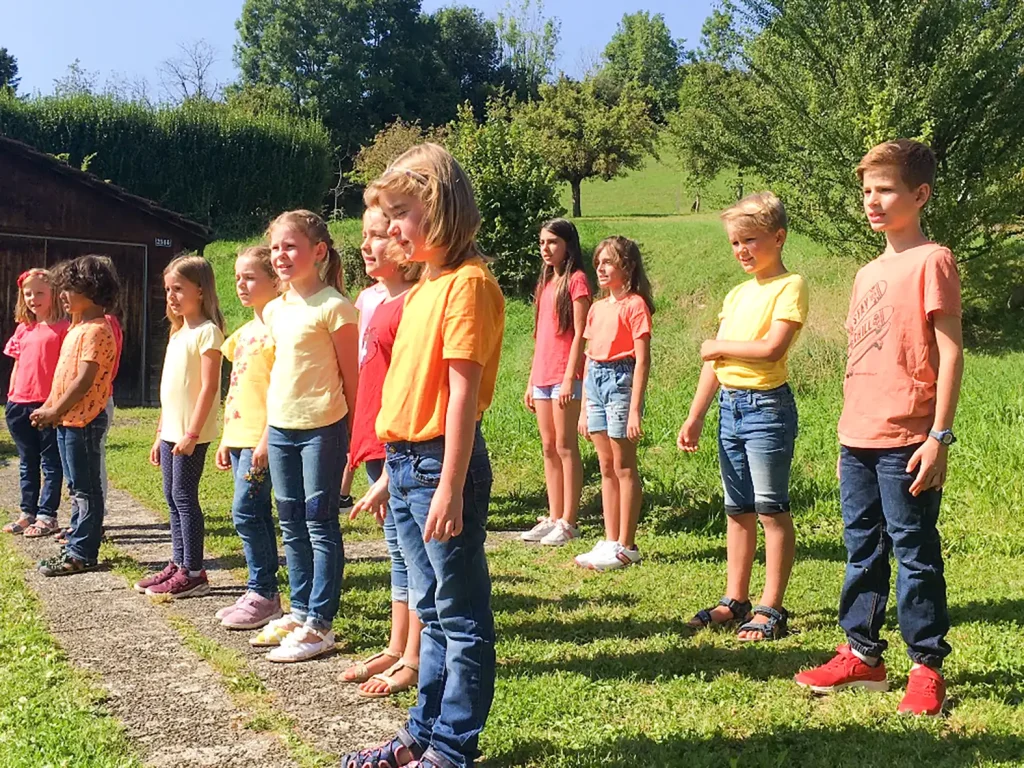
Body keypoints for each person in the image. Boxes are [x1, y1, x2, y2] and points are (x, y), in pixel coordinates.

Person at [344, 143, 505, 768]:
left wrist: (447, 486)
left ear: (438, 209)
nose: (391, 229)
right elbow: (409, 389)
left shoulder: (468, 285)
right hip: (409, 462)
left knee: (460, 617)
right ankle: (422, 734)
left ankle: (452, 748)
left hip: (444, 464)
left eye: (402, 213)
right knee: (433, 610)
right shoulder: (421, 289)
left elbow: (462, 395)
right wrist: (392, 473)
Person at [794, 139, 963, 717]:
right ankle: (863, 654)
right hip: (858, 436)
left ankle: (925, 666)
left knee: (914, 552)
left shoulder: (932, 259)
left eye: (885, 189)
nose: (873, 200)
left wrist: (939, 436)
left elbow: (950, 350)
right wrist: (848, 432)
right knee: (862, 549)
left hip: (909, 437)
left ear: (919, 194)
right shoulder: (868, 271)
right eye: (866, 190)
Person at [677, 192, 808, 641]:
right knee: (738, 509)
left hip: (766, 408)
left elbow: (773, 348)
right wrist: (695, 416)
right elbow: (713, 367)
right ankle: (735, 600)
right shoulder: (736, 294)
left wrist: (718, 347)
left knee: (771, 509)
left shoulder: (789, 286)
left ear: (778, 237)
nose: (742, 251)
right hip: (729, 408)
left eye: (750, 240)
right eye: (735, 243)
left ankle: (772, 606)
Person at [249, 209, 358, 663]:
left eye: (289, 246)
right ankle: (299, 609)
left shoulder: (335, 307)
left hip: (323, 429)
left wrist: (354, 440)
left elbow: (353, 380)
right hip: (280, 429)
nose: (280, 255)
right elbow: (277, 376)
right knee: (290, 522)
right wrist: (262, 436)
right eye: (275, 247)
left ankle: (320, 622)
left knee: (320, 523)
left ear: (318, 251)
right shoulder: (275, 309)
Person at [344, 205, 423, 699]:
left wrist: (390, 473)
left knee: (414, 558)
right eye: (365, 236)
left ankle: (415, 657)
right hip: (377, 444)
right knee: (396, 552)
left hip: (400, 450)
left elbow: (410, 393)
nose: (368, 245)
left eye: (379, 236)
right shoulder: (379, 301)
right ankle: (397, 646)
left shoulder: (412, 304)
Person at [135, 255, 225, 599]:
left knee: (185, 498)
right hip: (171, 430)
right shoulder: (178, 332)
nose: (171, 296)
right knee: (172, 498)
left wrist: (191, 433)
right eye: (168, 290)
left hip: (191, 433)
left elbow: (208, 387)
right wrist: (160, 433)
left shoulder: (208, 334)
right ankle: (178, 562)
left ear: (200, 291)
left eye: (178, 289)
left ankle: (195, 571)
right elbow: (168, 392)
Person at [30, 256, 118, 576]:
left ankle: (82, 552)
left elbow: (83, 380)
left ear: (91, 289)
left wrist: (56, 409)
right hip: (69, 420)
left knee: (86, 489)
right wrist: (51, 408)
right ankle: (75, 543)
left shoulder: (96, 330)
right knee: (76, 486)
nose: (62, 295)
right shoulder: (77, 328)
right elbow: (63, 376)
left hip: (84, 421)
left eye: (69, 289)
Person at [214, 245, 284, 630]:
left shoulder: (280, 329)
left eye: (250, 277)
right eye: (238, 277)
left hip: (263, 438)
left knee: (247, 511)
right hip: (239, 437)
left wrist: (264, 440)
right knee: (248, 512)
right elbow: (237, 388)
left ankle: (265, 592)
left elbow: (280, 389)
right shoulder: (242, 335)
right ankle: (257, 587)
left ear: (274, 280)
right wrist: (227, 437)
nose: (241, 284)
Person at [574, 237, 653, 572]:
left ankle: (627, 543)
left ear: (627, 266)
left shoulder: (635, 305)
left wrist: (634, 408)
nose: (601, 269)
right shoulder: (597, 307)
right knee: (606, 466)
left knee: (624, 466)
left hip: (621, 380)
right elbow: (590, 356)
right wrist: (583, 407)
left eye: (609, 262)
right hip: (596, 382)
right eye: (599, 262)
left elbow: (642, 360)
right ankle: (610, 538)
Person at [520, 219, 591, 547]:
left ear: (568, 245)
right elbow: (540, 337)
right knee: (548, 447)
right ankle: (553, 515)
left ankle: (569, 521)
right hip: (543, 376)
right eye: (542, 243)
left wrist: (568, 377)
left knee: (565, 447)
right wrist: (531, 381)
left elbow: (580, 333)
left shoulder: (576, 281)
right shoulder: (546, 283)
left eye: (552, 242)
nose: (546, 249)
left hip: (565, 376)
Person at [3, 268, 69, 537]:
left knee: (51, 462)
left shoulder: (64, 328)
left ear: (54, 293)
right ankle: (27, 513)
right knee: (26, 461)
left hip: (47, 404)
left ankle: (47, 515)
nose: (33, 298)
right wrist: (11, 396)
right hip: (19, 403)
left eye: (40, 292)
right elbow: (18, 364)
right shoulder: (23, 329)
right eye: (28, 293)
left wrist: (55, 404)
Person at [338, 266, 389, 514]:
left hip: (386, 371)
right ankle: (343, 492)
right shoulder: (366, 295)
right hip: (364, 369)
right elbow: (361, 335)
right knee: (360, 436)